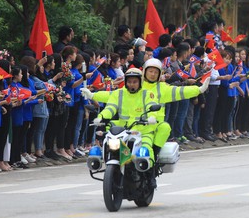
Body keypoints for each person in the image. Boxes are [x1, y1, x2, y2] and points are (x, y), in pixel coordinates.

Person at [82, 59, 212, 157]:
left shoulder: (163, 88)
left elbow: (181, 92)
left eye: (156, 72)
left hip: (152, 125)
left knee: (164, 129)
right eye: (150, 71)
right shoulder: (136, 85)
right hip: (128, 126)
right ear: (145, 72)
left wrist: (198, 90)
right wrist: (93, 95)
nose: (152, 74)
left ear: (159, 73)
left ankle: (153, 157)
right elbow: (114, 96)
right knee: (109, 132)